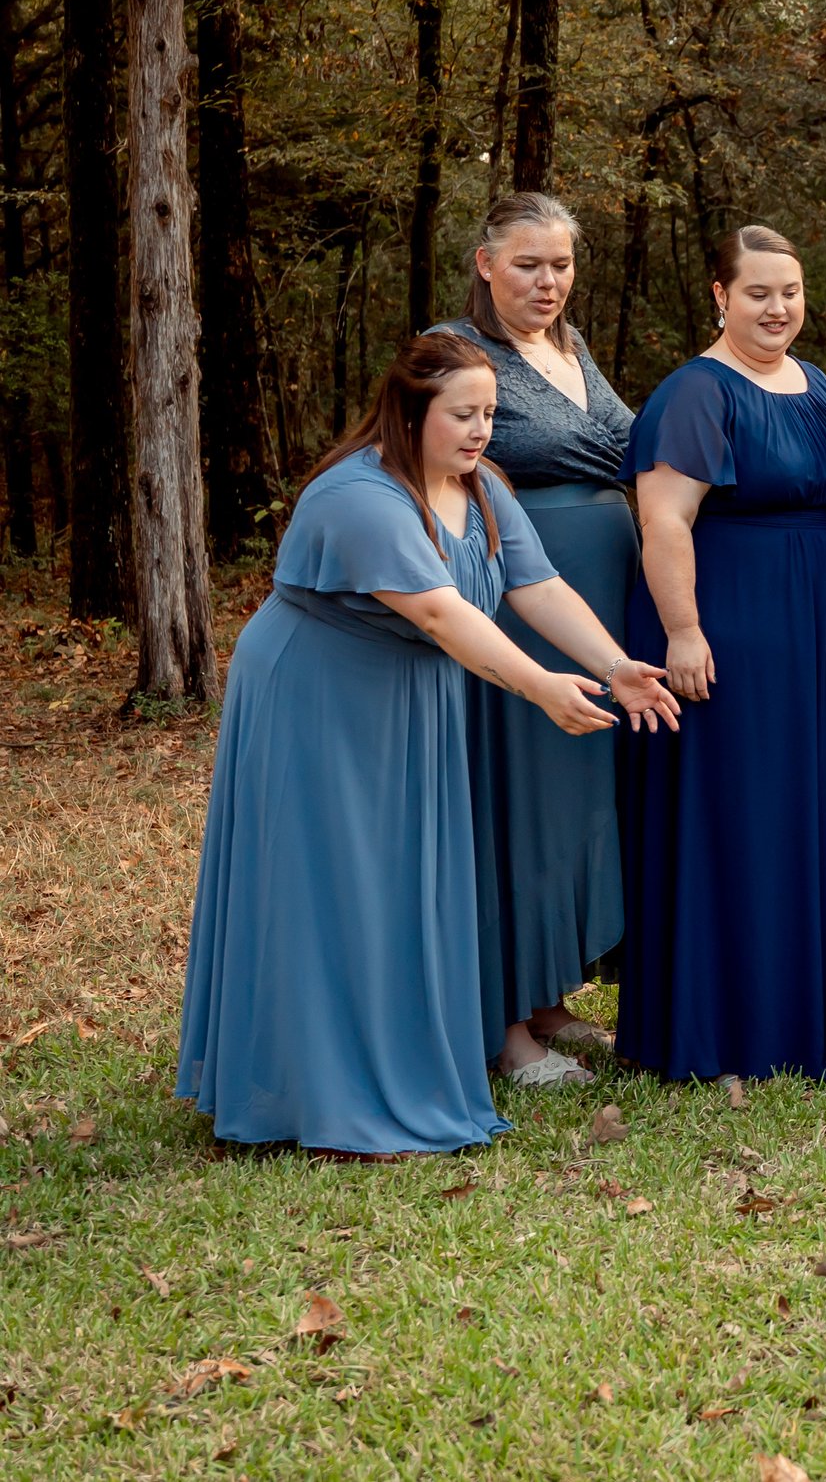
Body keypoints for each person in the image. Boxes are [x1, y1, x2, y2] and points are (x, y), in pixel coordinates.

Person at [177, 333, 676, 1155]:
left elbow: (536, 584)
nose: (482, 430)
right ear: (410, 413)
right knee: (333, 882)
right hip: (319, 696)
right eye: (464, 414)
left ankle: (394, 1057)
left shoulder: (479, 486)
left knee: (403, 881)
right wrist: (541, 686)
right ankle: (313, 1088)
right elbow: (445, 614)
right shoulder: (359, 497)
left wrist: (614, 663)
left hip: (411, 695)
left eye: (490, 413)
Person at [616, 225, 826, 1082]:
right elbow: (663, 519)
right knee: (740, 814)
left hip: (819, 627)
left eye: (791, 292)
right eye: (759, 293)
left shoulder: (818, 385)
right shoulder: (697, 393)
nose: (778, 308)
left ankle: (820, 1006)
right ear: (720, 296)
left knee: (809, 804)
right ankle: (730, 1023)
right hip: (729, 623)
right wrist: (684, 629)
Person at [432, 191, 640, 1086]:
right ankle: (508, 1027)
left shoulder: (570, 347)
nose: (548, 281)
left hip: (604, 592)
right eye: (528, 264)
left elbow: (628, 445)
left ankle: (554, 997)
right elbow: (455, 467)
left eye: (560, 265)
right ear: (486, 264)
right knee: (519, 801)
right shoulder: (458, 352)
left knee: (578, 802)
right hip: (523, 591)